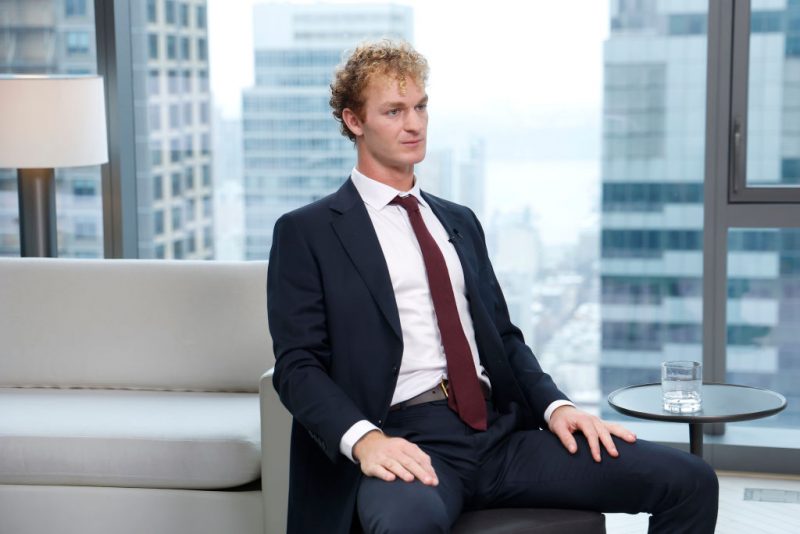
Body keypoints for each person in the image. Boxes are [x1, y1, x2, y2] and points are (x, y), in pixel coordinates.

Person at [267, 40, 718, 534]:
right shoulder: (308, 231)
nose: (414, 124)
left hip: (499, 434)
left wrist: (557, 406)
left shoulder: (458, 221)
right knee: (403, 527)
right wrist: (366, 440)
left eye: (420, 107)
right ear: (354, 121)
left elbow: (503, 337)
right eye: (393, 111)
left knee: (690, 481)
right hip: (407, 441)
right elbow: (297, 366)